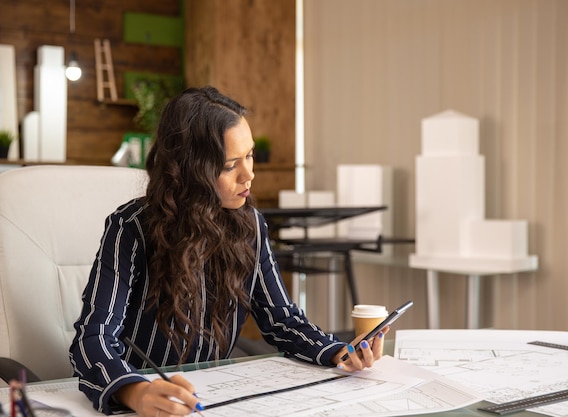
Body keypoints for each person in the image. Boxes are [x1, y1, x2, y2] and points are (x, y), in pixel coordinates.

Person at [69, 85, 388, 417]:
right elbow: (93, 338)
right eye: (230, 164)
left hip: (215, 400)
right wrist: (134, 392)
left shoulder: (251, 224)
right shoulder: (131, 227)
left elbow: (282, 321)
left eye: (249, 156)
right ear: (191, 170)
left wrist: (339, 351)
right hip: (149, 400)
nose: (249, 174)